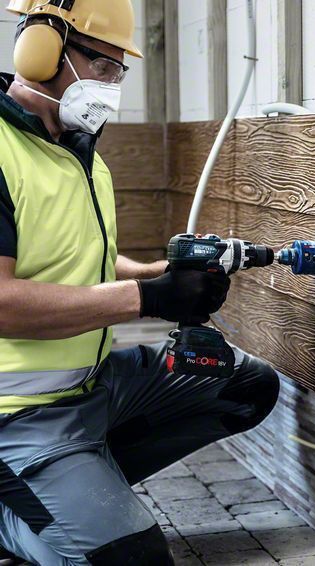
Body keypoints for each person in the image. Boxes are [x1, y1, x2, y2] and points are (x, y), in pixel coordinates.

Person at [0, 1, 279, 563]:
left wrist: (158, 273)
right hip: (17, 415)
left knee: (244, 386)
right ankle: (20, 511)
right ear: (41, 49)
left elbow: (80, 261)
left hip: (92, 387)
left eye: (118, 71)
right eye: (102, 65)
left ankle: (72, 489)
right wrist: (149, 298)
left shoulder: (77, 152)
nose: (110, 85)